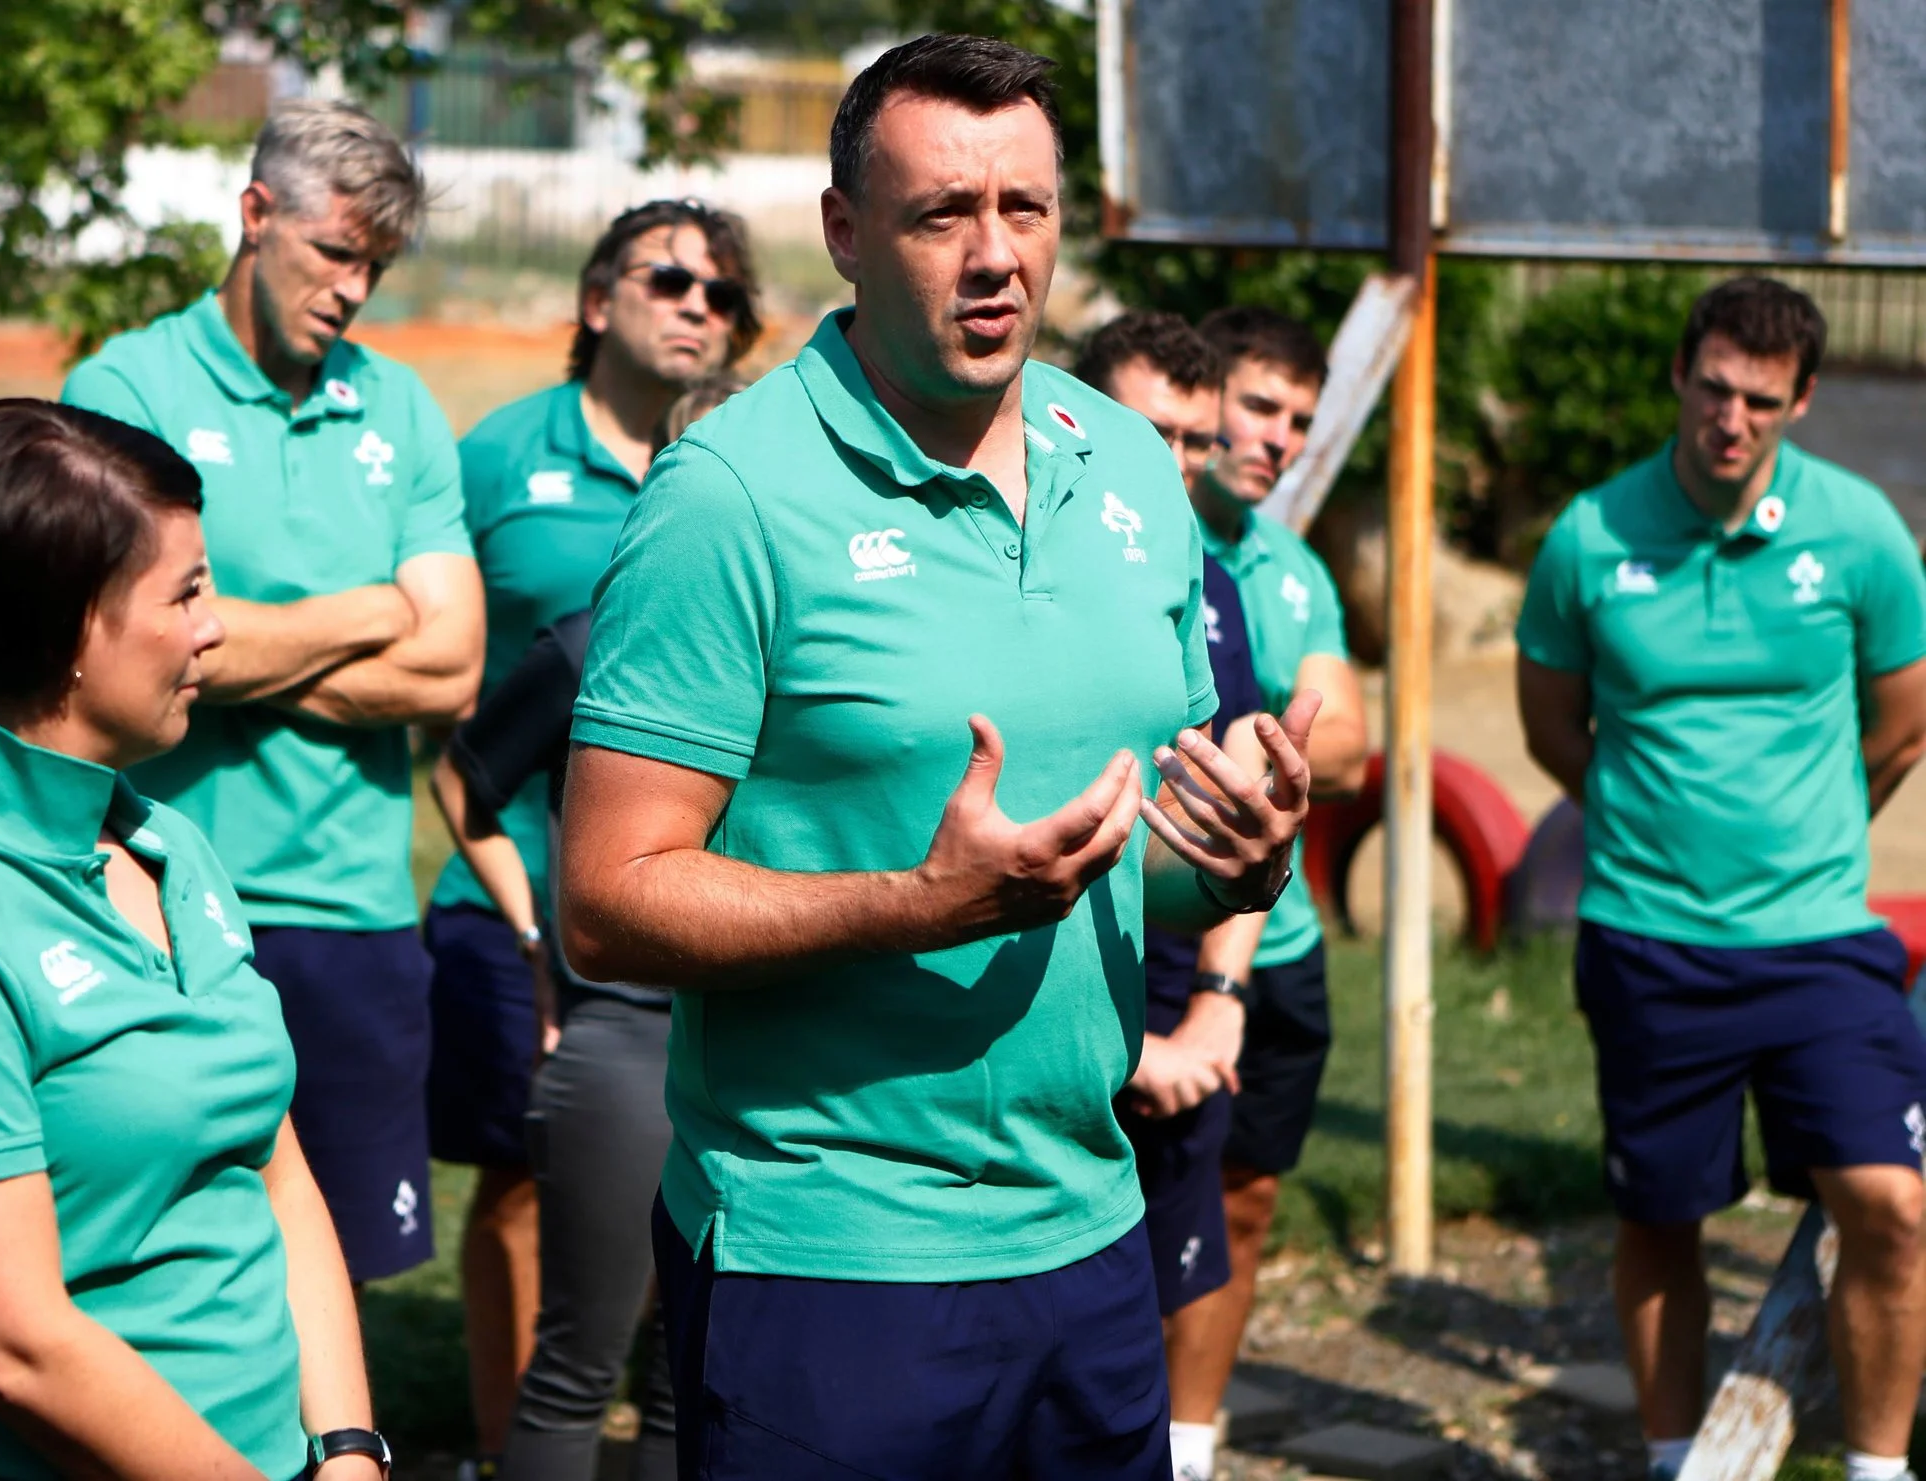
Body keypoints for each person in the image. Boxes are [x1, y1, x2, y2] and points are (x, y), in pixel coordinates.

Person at [557, 36, 1318, 1477]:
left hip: (1093, 1229)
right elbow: (606, 895)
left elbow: (1120, 864)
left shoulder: (1137, 468)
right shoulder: (728, 497)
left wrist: (1228, 858)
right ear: (846, 232)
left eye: (1022, 210)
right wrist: (916, 904)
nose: (993, 258)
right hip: (827, 1253)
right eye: (939, 214)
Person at [0, 399, 386, 1481]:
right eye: (186, 592)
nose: (216, 627)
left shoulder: (168, 846)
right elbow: (20, 1349)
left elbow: (272, 1164)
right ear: (66, 629)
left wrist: (344, 1447)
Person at [61, 100, 480, 1287]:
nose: (354, 289)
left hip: (355, 916)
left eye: (377, 266)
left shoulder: (398, 407)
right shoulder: (126, 385)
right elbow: (130, 643)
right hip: (157, 898)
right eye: (336, 253)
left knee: (336, 1275)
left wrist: (232, 636)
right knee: (155, 1263)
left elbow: (452, 665)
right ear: (255, 216)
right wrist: (370, 607)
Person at [1516, 276, 1926, 1481]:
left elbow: (1899, 724)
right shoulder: (1588, 535)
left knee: (1888, 1201)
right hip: (1647, 940)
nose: (1729, 418)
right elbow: (1553, 727)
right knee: (1660, 1219)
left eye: (1758, 397)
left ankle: (1877, 1468)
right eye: (1711, 388)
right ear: (1679, 382)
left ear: (1799, 401)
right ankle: (1670, 1453)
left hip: (1816, 941)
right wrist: (1656, 823)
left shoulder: (1858, 532)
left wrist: (1802, 831)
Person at [424, 201, 761, 1478]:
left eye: (719, 291)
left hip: (738, 1007)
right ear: (596, 295)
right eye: (668, 279)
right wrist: (543, 941)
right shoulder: (516, 480)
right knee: (561, 1287)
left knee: (699, 1358)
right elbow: (467, 757)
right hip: (584, 969)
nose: (694, 303)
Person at [1160, 305, 1372, 1463]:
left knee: (1242, 1202)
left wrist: (1237, 742)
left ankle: (1190, 1441)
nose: (1279, 440)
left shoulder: (1289, 566)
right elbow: (1306, 737)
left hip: (1278, 948)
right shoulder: (1135, 535)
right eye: (1258, 407)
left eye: (1300, 420)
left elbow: (1348, 746)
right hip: (1162, 938)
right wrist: (1278, 733)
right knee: (1139, 1212)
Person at [1077, 310, 1273, 1481]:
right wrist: (1117, 1043)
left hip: (1171, 985)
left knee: (1153, 1299)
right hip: (1039, 1001)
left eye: (1194, 441)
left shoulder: (1204, 590)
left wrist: (1214, 999)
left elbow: (1235, 812)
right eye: (1147, 430)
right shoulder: (999, 568)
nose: (1175, 463)